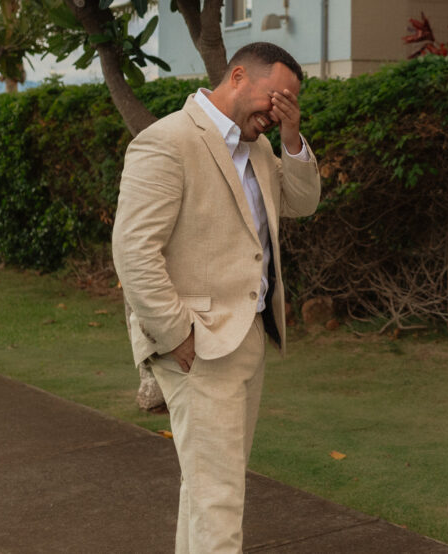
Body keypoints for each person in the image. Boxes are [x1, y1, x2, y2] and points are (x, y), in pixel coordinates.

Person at [112, 42, 321, 553]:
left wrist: (293, 136)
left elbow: (302, 202)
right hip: (198, 345)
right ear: (238, 76)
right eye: (276, 98)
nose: (277, 113)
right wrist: (176, 333)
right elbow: (134, 250)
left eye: (289, 105)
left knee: (210, 491)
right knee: (219, 499)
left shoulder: (263, 148)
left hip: (248, 336)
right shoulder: (167, 140)